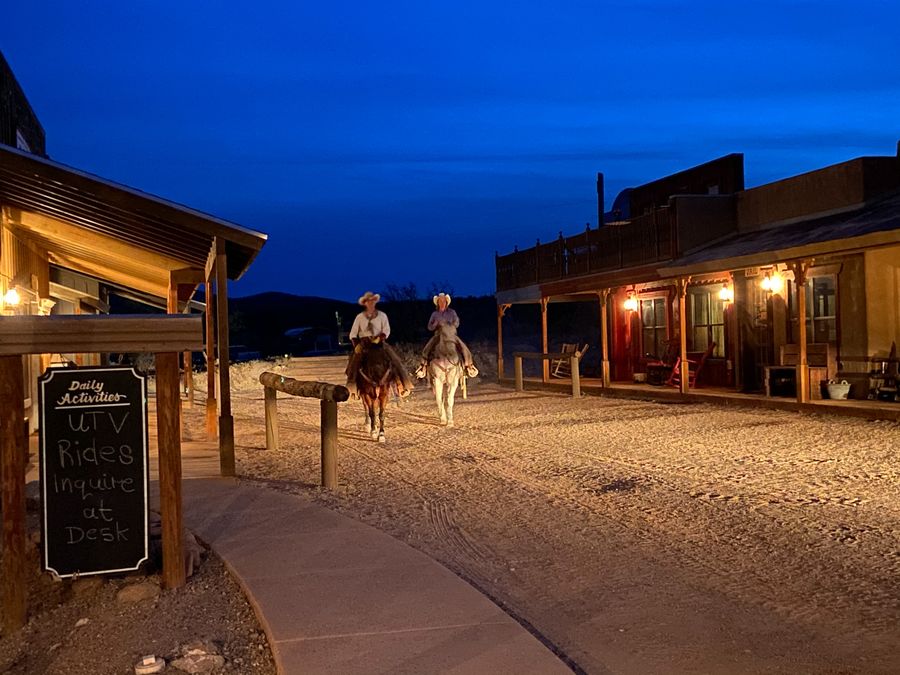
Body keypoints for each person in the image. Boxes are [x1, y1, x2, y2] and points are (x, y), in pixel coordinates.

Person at [345, 291, 414, 398]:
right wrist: (356, 344)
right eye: (368, 301)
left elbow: (386, 330)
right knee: (355, 362)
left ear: (375, 302)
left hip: (379, 341)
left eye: (372, 301)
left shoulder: (382, 316)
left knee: (394, 359)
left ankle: (404, 385)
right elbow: (353, 333)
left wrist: (381, 337)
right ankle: (352, 387)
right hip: (364, 342)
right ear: (365, 303)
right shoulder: (360, 317)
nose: (370, 303)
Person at [415, 292, 478, 379]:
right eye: (440, 301)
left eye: (443, 301)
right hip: (439, 334)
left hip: (451, 334)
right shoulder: (435, 314)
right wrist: (435, 324)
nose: (442, 303)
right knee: (427, 347)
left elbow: (457, 323)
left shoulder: (452, 312)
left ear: (446, 302)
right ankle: (423, 367)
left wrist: (449, 324)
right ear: (437, 303)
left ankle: (469, 366)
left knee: (463, 347)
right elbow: (429, 327)